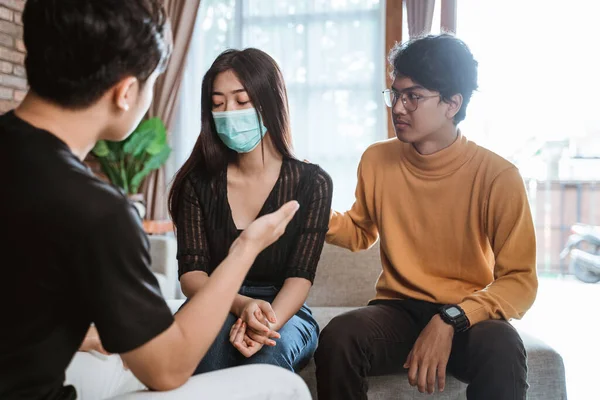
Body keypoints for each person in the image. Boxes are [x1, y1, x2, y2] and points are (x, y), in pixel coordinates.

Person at [0, 1, 310, 399]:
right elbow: (167, 368)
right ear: (126, 92)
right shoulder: (97, 210)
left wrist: (81, 334)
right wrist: (245, 247)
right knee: (280, 386)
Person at [314, 34, 538, 400]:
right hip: (397, 310)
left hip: (468, 314)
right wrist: (313, 209)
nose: (398, 107)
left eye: (413, 96)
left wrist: (451, 319)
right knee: (340, 337)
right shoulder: (377, 159)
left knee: (503, 347)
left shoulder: (498, 176)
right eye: (395, 94)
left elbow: (520, 281)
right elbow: (359, 231)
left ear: (452, 103)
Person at [168, 48, 333, 374]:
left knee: (266, 357)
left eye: (241, 101)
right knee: (206, 353)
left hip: (282, 311)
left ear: (270, 102)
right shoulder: (196, 183)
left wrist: (266, 322)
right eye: (218, 104)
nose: (229, 112)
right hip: (212, 302)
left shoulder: (313, 183)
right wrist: (242, 305)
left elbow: (300, 278)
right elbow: (192, 276)